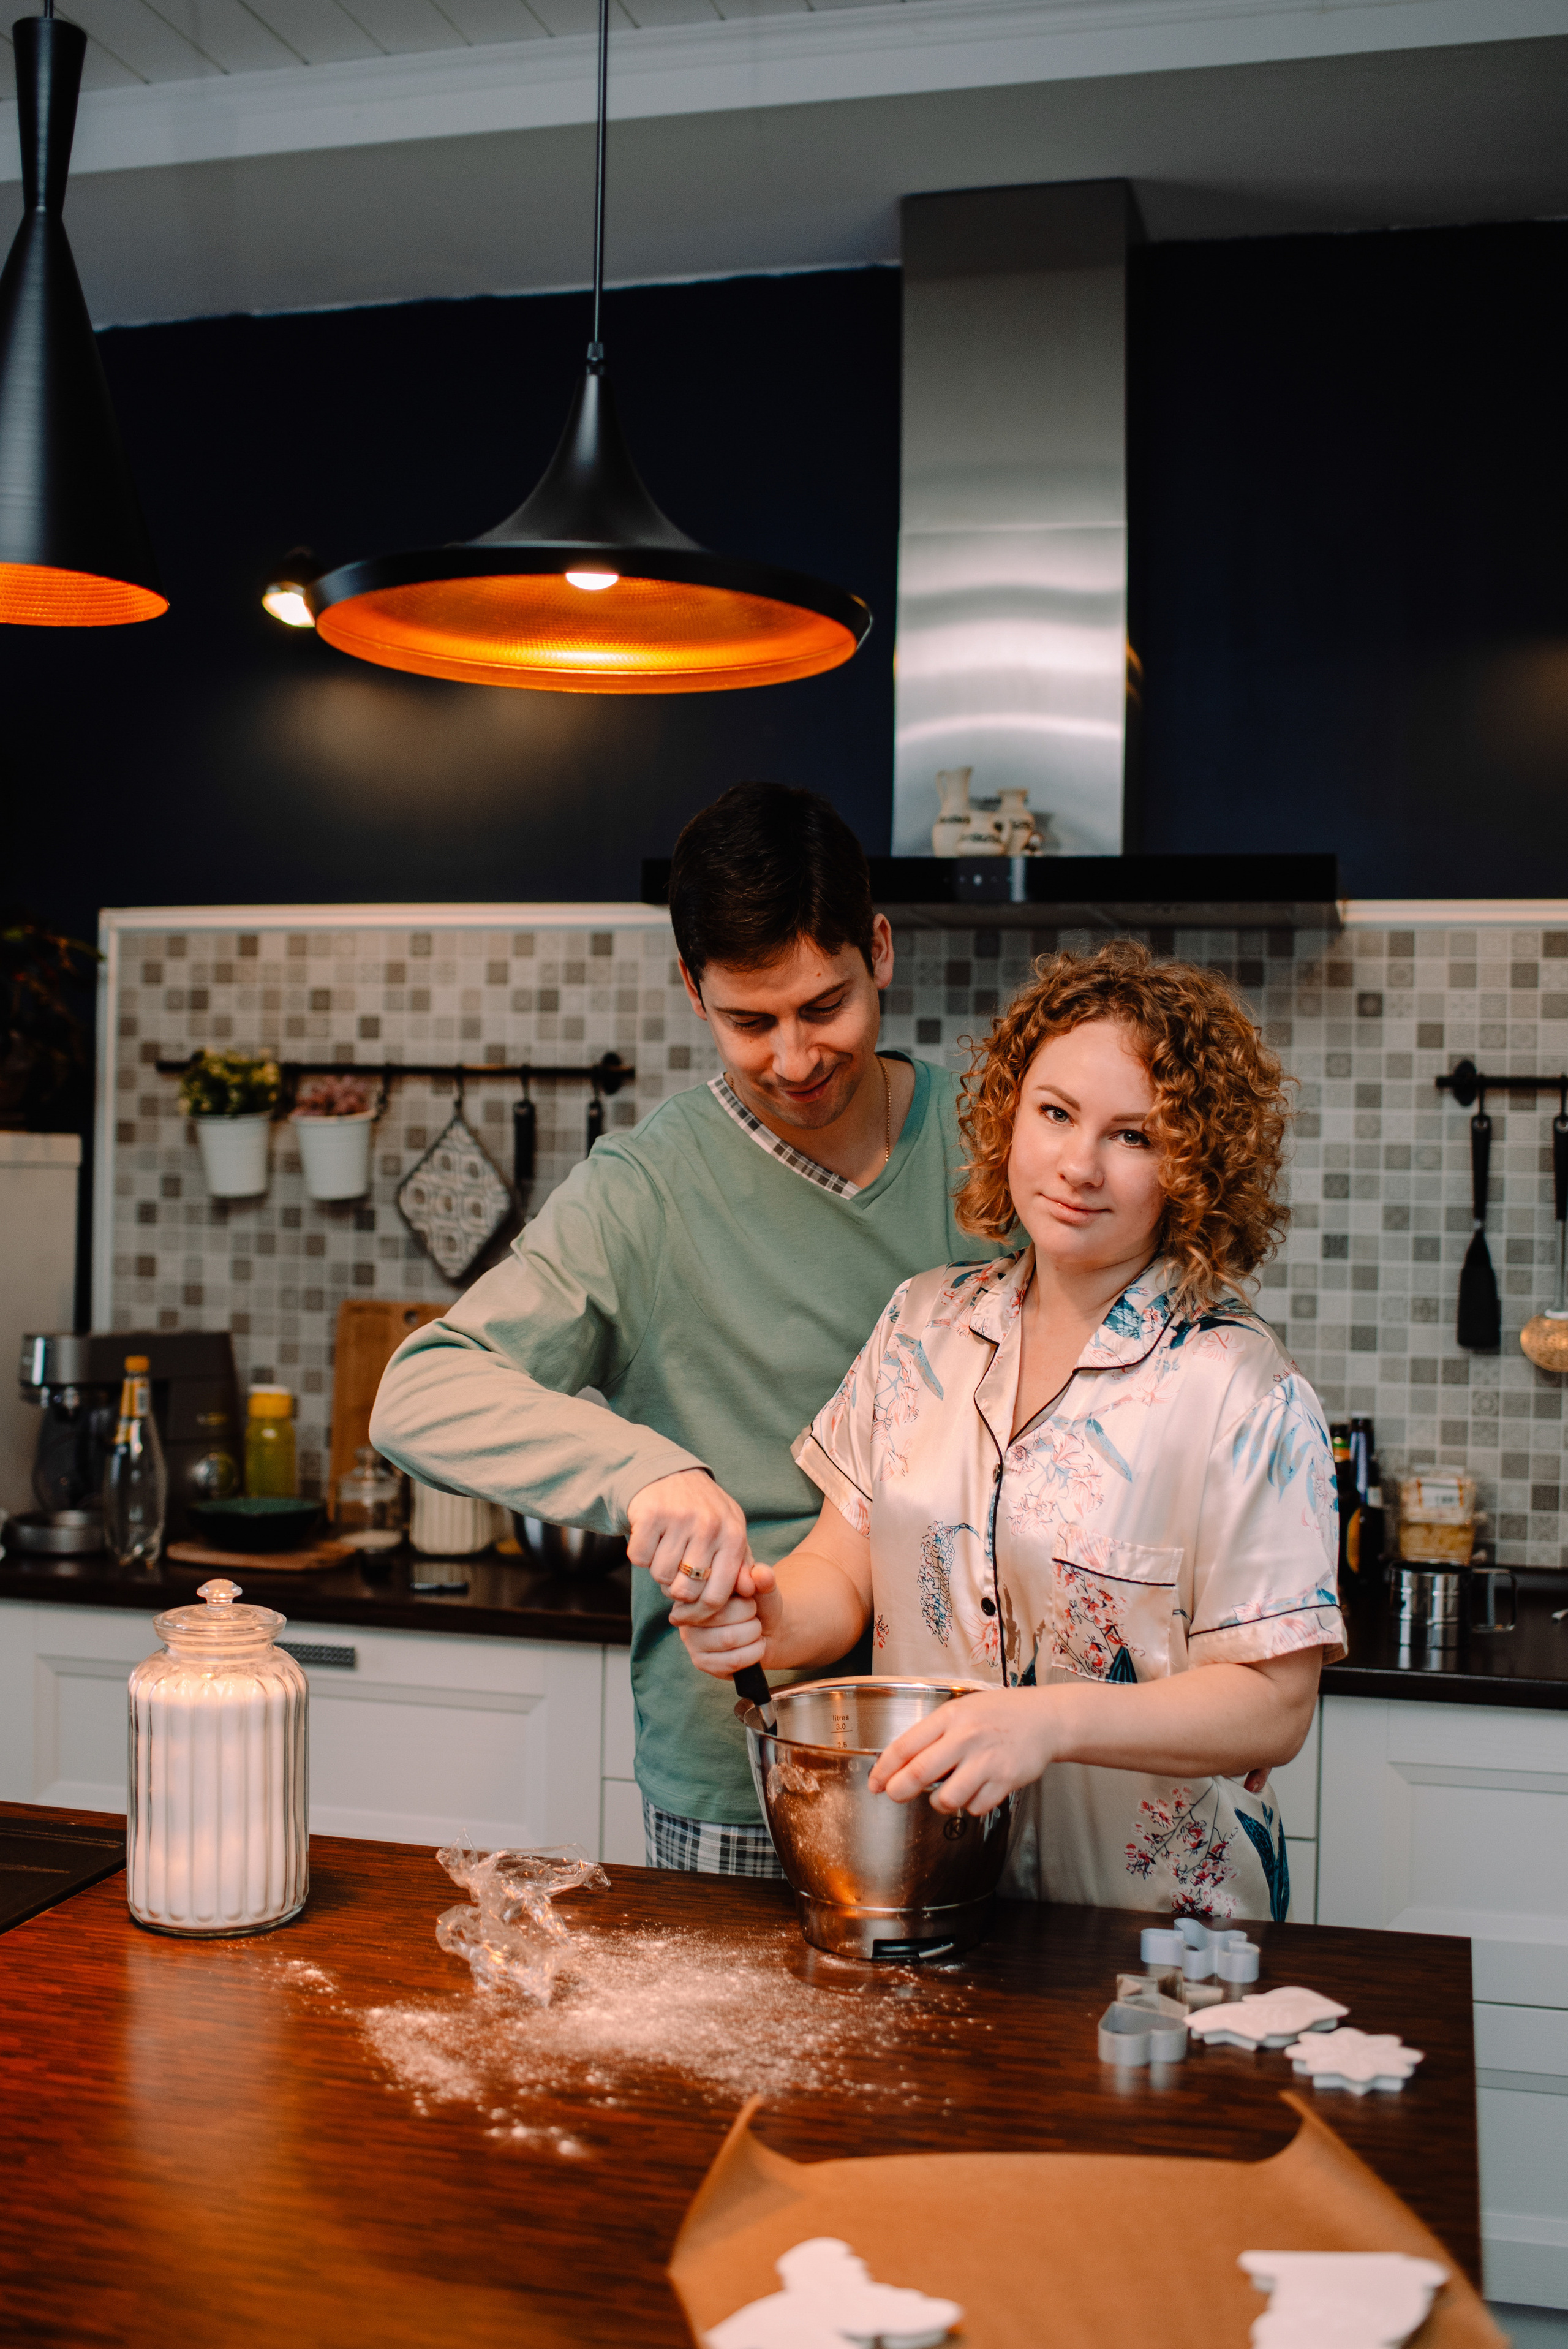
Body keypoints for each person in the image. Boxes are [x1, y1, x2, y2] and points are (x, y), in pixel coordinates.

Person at [369, 783, 1006, 1877]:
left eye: (826, 1006)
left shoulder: (999, 1142)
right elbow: (420, 1391)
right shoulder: (645, 1190)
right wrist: (644, 1472)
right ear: (692, 990)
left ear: (883, 952)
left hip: (981, 1747)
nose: (795, 1057)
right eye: (749, 1021)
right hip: (743, 1767)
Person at [675, 942, 1345, 1920]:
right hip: (937, 1898)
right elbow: (843, 1570)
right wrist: (764, 1615)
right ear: (1009, 1117)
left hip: (1158, 1937)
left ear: (1194, 1161)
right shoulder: (920, 1327)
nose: (1078, 1164)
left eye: (1135, 1135)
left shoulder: (1241, 1390)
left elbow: (1274, 1705)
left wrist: (1048, 1721)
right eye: (1057, 1113)